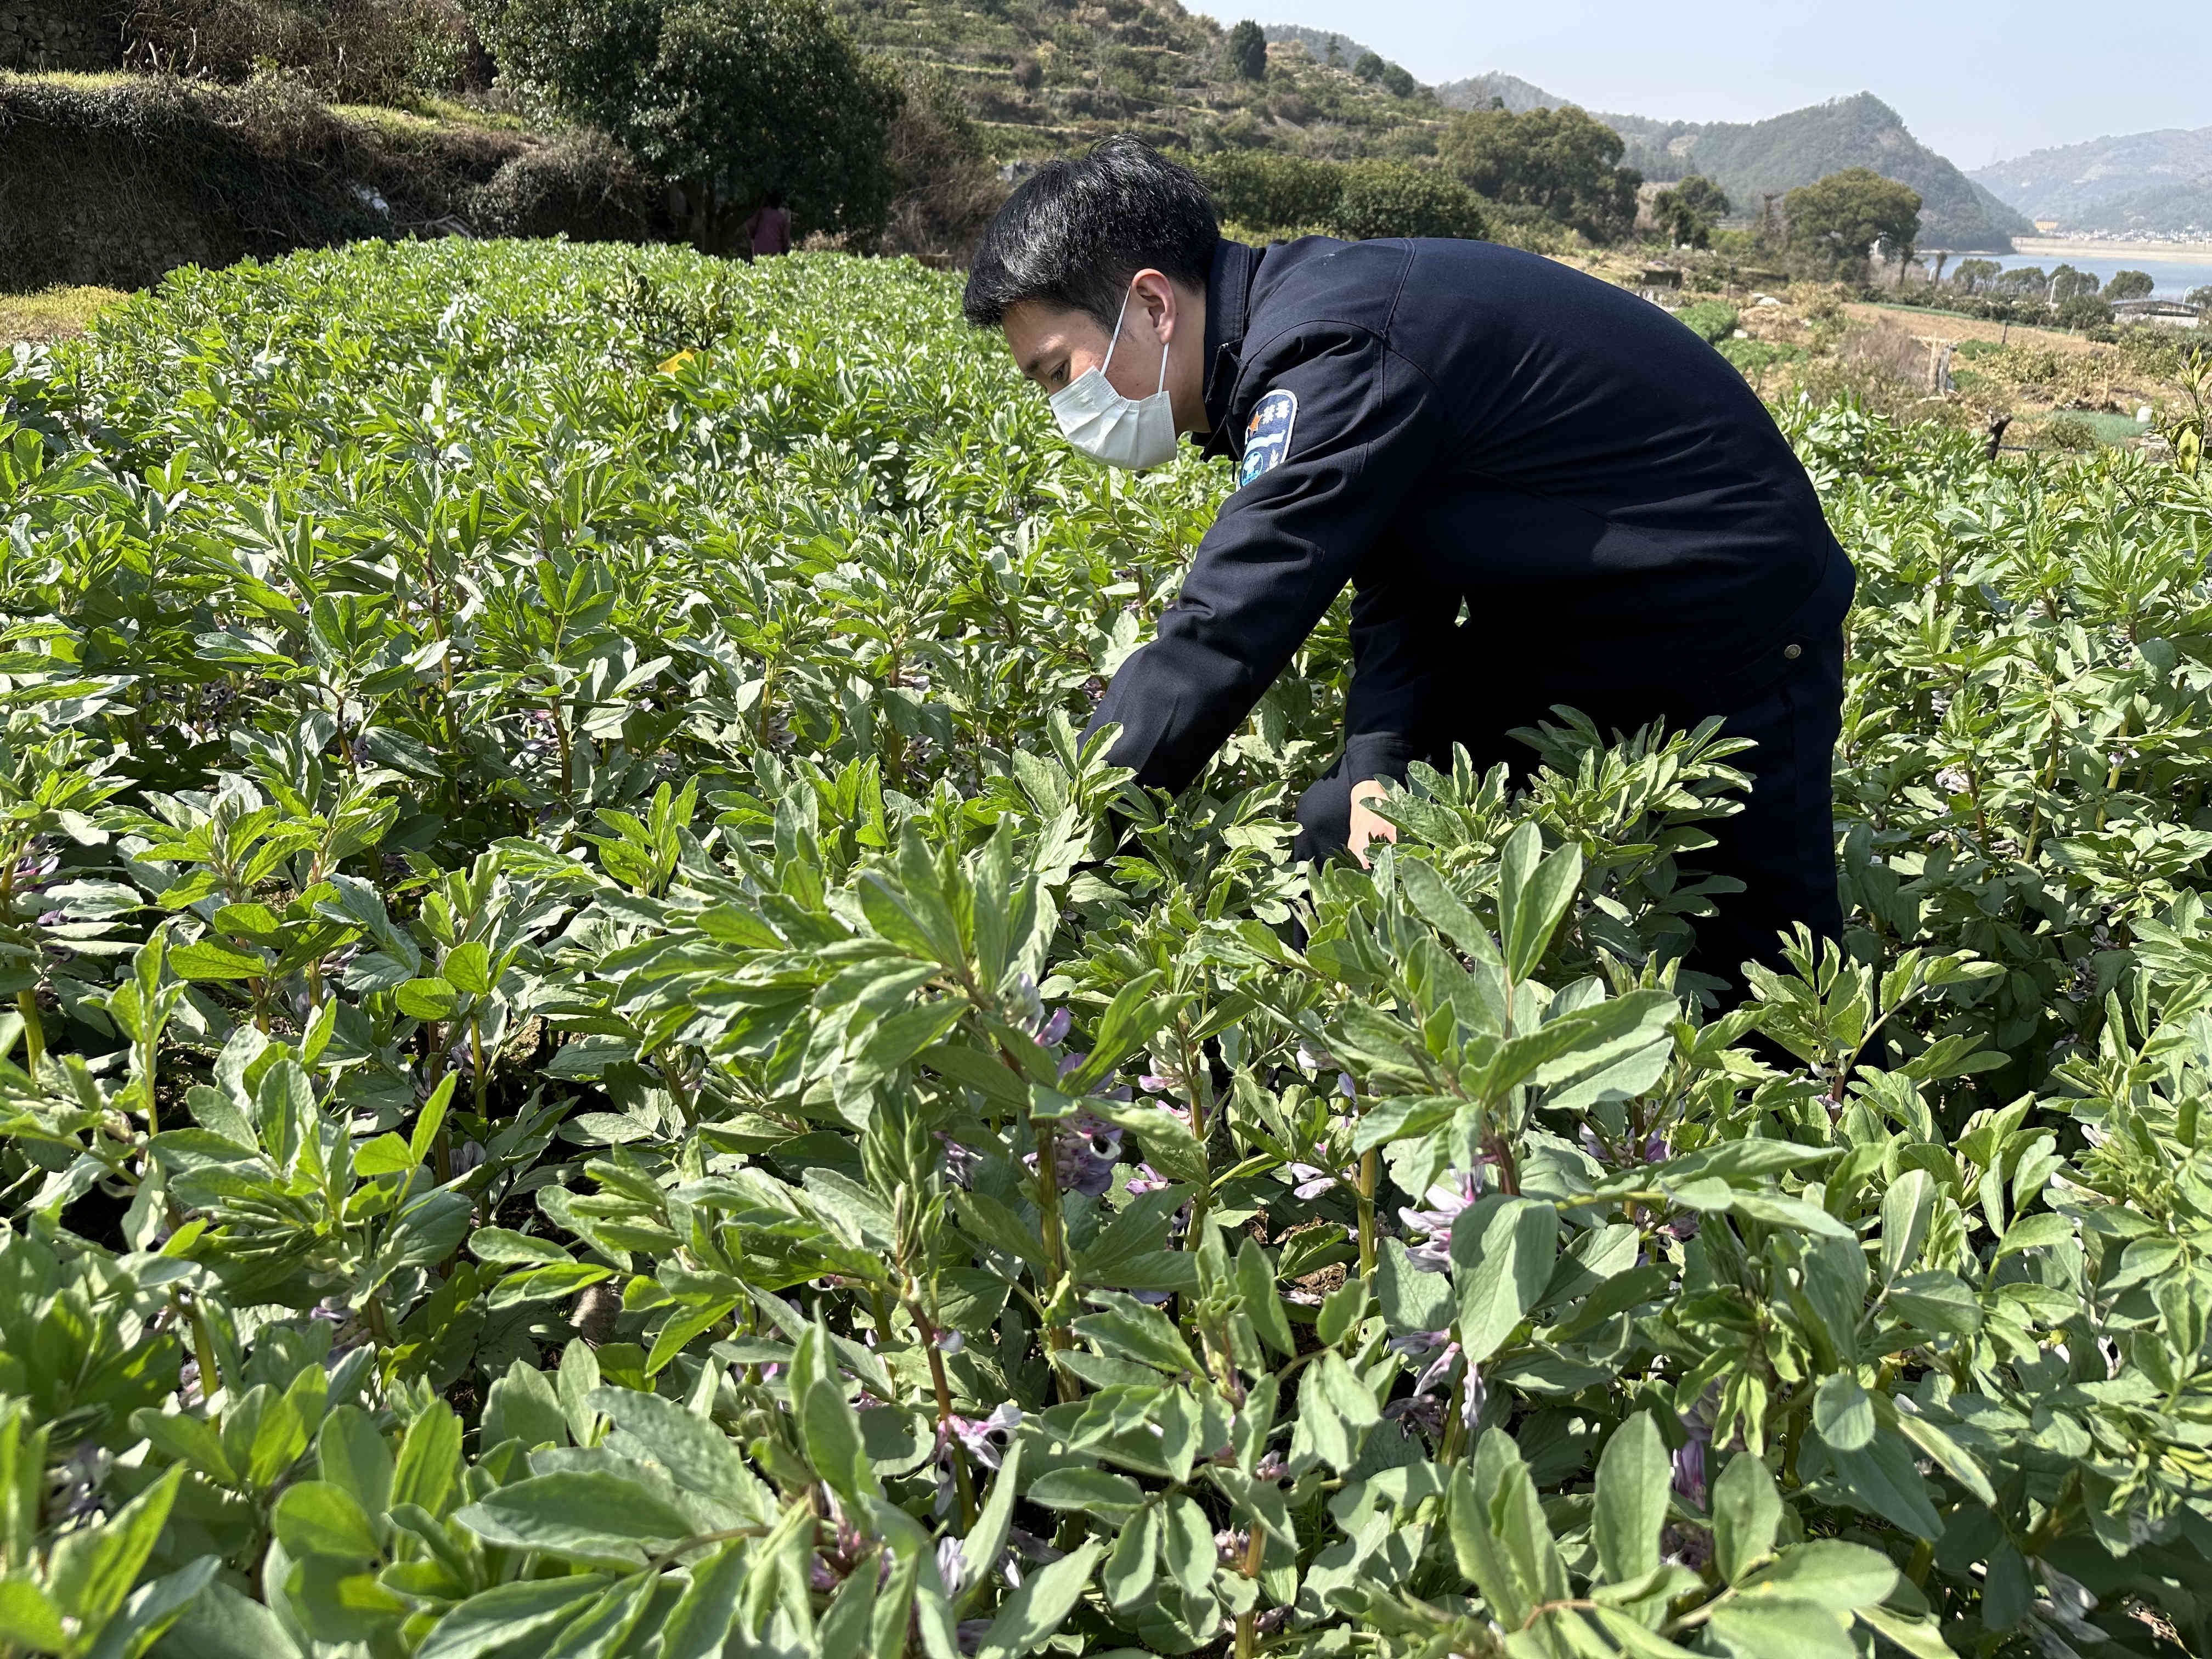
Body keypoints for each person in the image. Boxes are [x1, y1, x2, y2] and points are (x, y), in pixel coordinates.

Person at [960, 138, 1855, 992]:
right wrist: (1380, 759)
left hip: (1728, 599)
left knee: (1775, 971)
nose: (1062, 405)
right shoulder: (1302, 332)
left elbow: (1219, 632)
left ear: (1152, 306)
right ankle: (1351, 1082)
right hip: (1587, 599)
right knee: (1351, 819)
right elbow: (1400, 565)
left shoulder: (1331, 353)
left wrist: (1044, 867)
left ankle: (1849, 1130)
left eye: (1057, 371)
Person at [744, 188, 792, 259]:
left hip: (759, 251)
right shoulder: (782, 218)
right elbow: (786, 239)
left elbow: (750, 225)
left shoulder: (760, 213)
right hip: (776, 253)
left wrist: (753, 238)